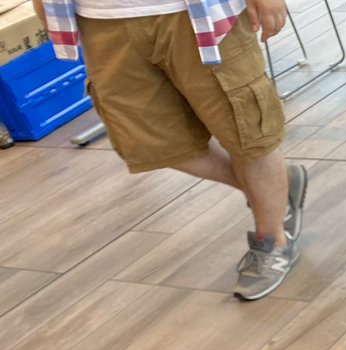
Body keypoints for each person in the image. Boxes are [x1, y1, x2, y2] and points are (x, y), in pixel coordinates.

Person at [34, 0, 307, 300]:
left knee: (247, 132)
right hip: (101, 20)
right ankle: (277, 187)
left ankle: (273, 241)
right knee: (149, 142)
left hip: (198, 12)